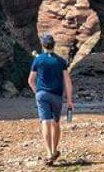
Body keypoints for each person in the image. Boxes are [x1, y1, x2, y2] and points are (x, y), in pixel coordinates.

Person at [28, 33, 73, 166]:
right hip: (57, 96)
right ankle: (54, 150)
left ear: (42, 45)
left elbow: (31, 80)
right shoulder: (61, 61)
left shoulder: (38, 60)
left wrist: (38, 93)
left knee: (45, 122)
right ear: (54, 45)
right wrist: (69, 100)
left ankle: (48, 153)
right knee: (56, 123)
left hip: (42, 94)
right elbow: (67, 81)